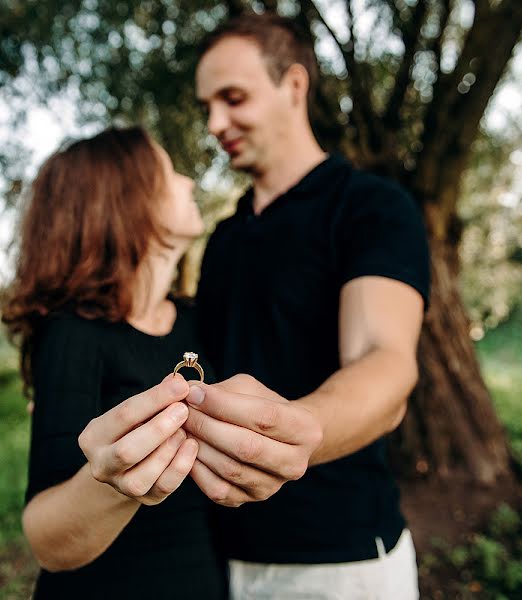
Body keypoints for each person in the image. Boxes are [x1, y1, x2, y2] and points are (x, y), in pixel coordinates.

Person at [182, 12, 431, 599]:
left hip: (338, 561)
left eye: (233, 97)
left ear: (293, 86)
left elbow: (384, 358)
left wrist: (297, 433)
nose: (216, 123)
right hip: (218, 558)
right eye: (205, 107)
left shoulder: (370, 207)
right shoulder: (221, 240)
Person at [1, 126, 227, 599]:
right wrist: (116, 483)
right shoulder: (72, 334)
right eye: (168, 173)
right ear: (127, 199)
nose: (188, 181)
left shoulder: (202, 321)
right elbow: (47, 539)